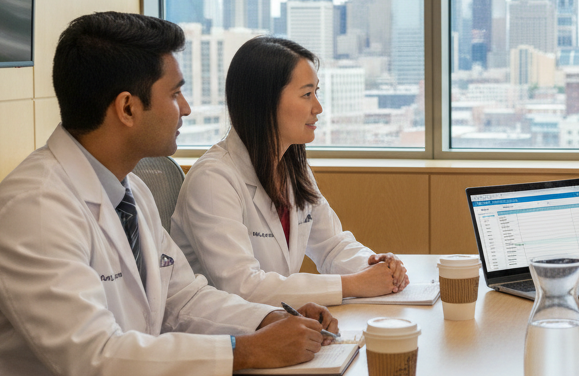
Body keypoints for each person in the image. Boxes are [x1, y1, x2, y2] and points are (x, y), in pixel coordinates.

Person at [0, 13, 336, 376]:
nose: (187, 108)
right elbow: (94, 359)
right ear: (127, 108)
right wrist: (248, 351)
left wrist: (269, 320)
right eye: (175, 93)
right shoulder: (35, 208)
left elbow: (183, 299)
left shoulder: (129, 191)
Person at [171, 36, 407, 306]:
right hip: (223, 338)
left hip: (276, 327)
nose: (318, 108)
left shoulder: (293, 167)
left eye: (316, 93)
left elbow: (331, 245)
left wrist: (372, 265)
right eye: (307, 94)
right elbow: (242, 287)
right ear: (264, 101)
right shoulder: (213, 179)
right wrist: (354, 284)